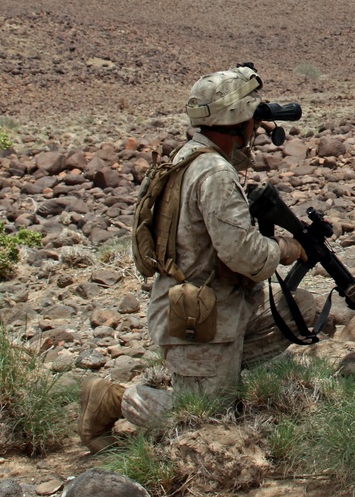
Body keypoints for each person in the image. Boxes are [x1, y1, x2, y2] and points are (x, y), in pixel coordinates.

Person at [78, 65, 321, 451]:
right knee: (206, 420)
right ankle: (114, 398)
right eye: (252, 121)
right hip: (198, 319)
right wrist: (288, 250)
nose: (256, 130)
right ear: (238, 123)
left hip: (224, 307)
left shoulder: (190, 157)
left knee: (302, 308)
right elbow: (243, 253)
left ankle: (217, 378)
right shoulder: (214, 173)